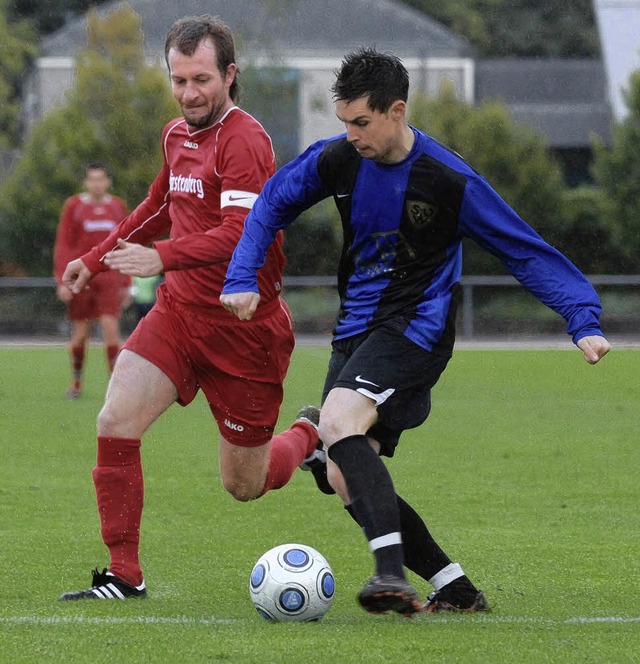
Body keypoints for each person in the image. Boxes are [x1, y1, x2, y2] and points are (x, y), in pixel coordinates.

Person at [220, 47, 611, 617]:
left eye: (361, 122)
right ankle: (454, 587)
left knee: (338, 424)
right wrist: (241, 272)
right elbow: (272, 202)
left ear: (396, 111)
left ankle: (387, 574)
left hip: (416, 331)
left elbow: (522, 249)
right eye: (344, 122)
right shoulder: (339, 160)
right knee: (343, 475)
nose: (351, 135)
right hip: (356, 330)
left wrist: (582, 318)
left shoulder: (447, 179)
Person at [59, 15, 321, 601]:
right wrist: (97, 258)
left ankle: (309, 434)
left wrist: (164, 258)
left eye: (200, 79)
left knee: (244, 485)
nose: (188, 93)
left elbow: (241, 231)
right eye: (178, 80)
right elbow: (158, 204)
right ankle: (124, 574)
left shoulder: (245, 140)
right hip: (178, 316)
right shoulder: (176, 134)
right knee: (115, 420)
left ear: (230, 75)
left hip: (243, 330)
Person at [53, 162, 130, 398]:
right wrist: (62, 280)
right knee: (80, 333)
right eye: (92, 179)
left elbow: (125, 242)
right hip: (82, 276)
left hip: (109, 276)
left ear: (108, 182)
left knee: (110, 329)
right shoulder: (74, 206)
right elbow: (64, 244)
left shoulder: (117, 207)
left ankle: (115, 387)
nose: (97, 184)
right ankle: (76, 383)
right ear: (85, 182)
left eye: (101, 179)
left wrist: (126, 282)